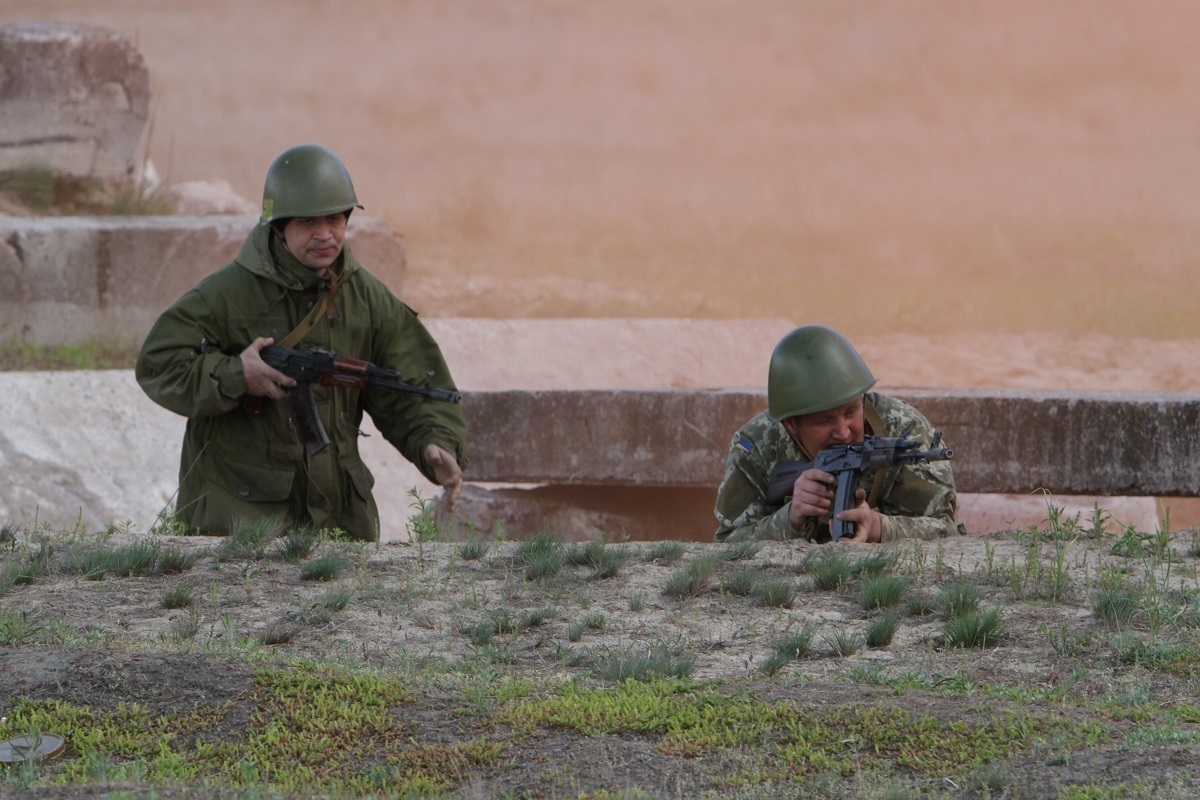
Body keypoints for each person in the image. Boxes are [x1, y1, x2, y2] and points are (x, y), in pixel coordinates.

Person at [136, 144, 467, 542]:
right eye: (308, 222)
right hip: (239, 522)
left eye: (334, 219)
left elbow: (407, 382)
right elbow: (158, 363)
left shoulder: (366, 299)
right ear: (279, 227)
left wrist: (434, 441)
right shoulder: (228, 293)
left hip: (338, 522)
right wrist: (236, 375)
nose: (325, 235)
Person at [714, 324, 959, 543]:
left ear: (863, 399)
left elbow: (945, 530)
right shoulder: (757, 445)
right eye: (824, 420)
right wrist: (789, 520)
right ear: (791, 425)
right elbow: (727, 542)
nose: (843, 432)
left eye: (851, 412)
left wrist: (878, 527)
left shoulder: (905, 431)